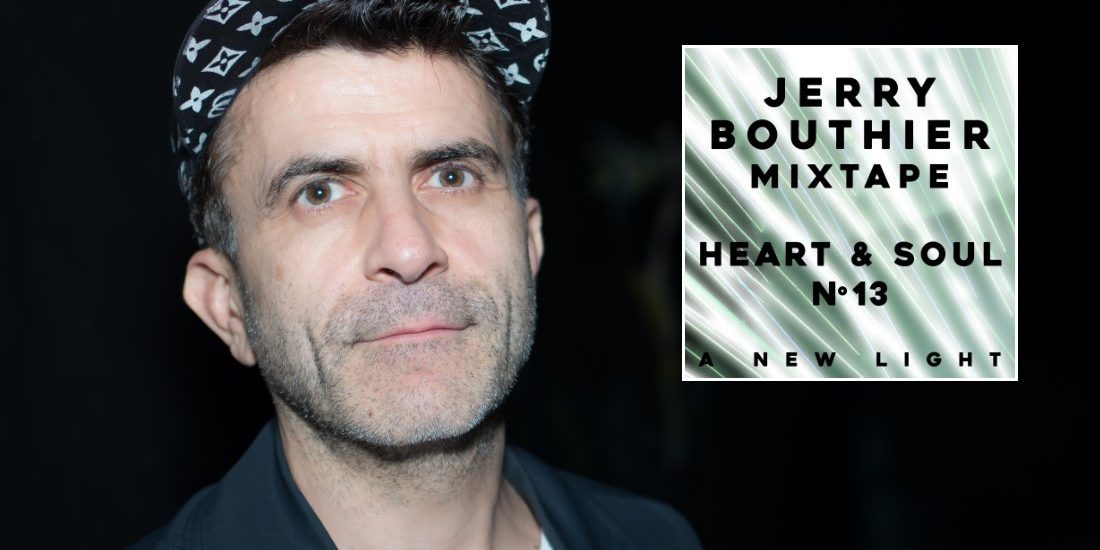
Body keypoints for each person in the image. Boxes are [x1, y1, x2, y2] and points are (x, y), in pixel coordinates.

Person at [133, 1, 703, 548]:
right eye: (319, 192)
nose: (409, 250)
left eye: (453, 176)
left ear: (528, 244)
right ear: (227, 305)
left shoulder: (657, 538)